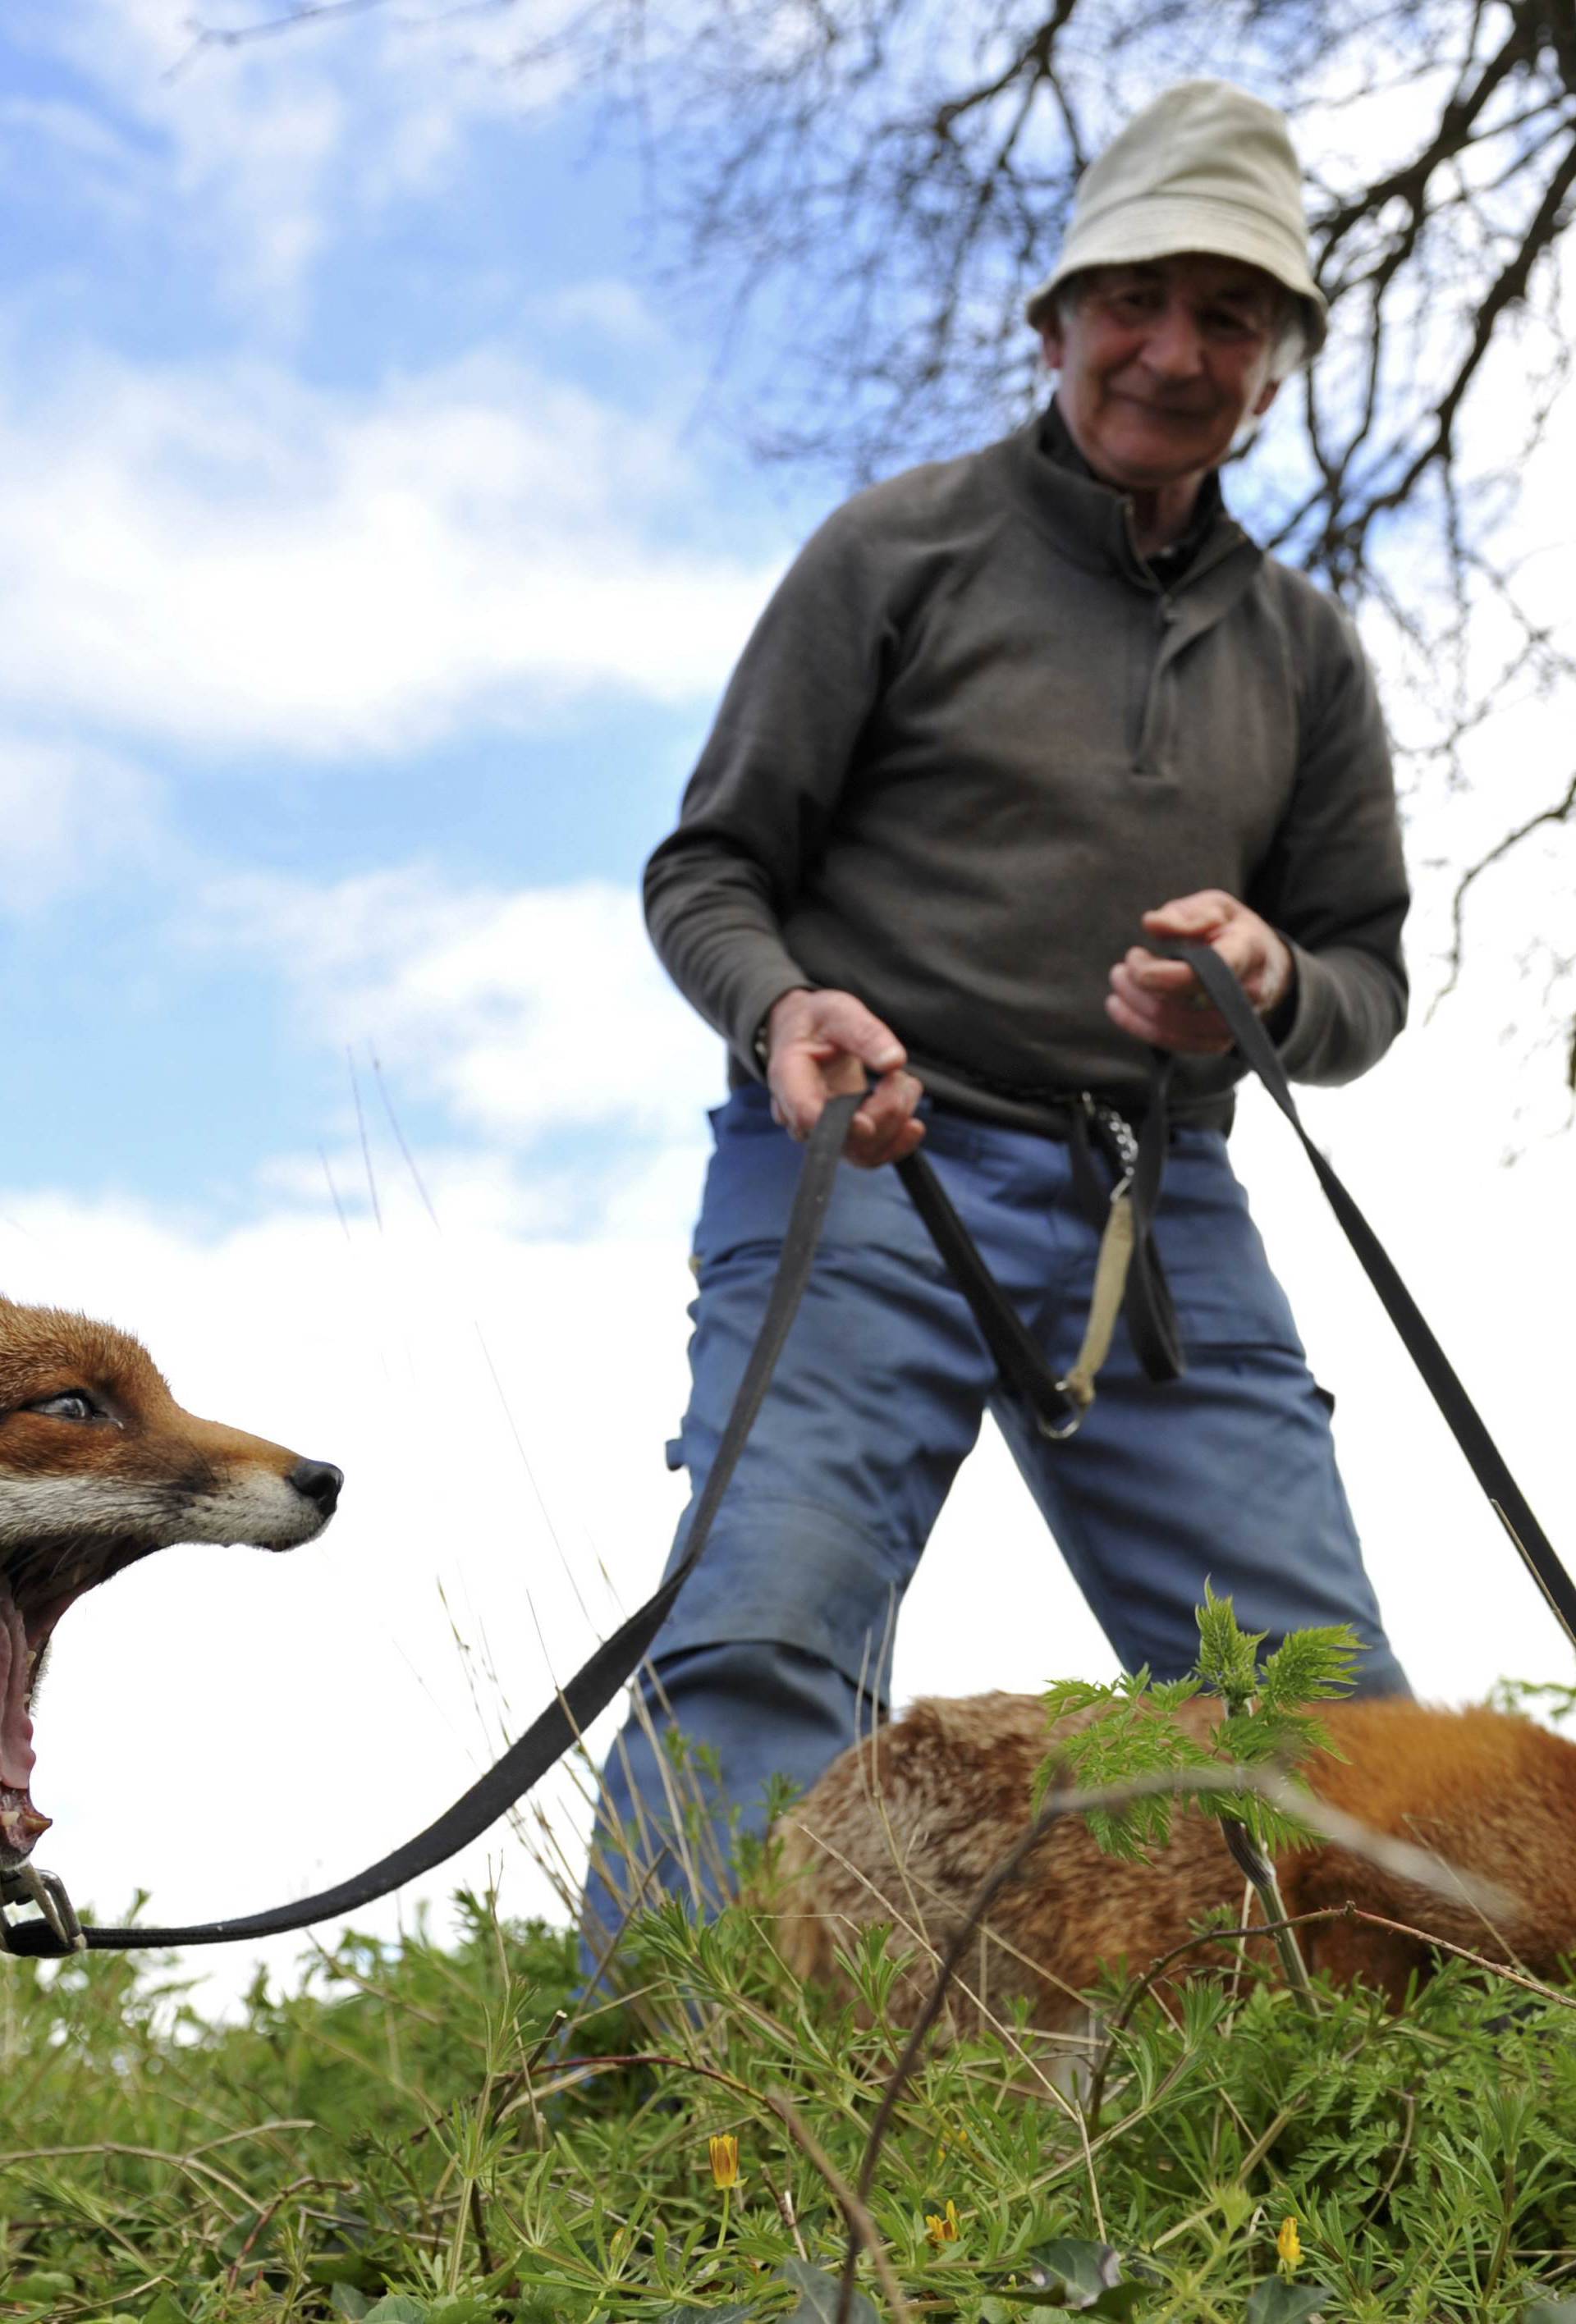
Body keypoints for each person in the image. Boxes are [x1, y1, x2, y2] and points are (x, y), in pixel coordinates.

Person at [581, 79, 1410, 1959]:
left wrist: (1270, 989)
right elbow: (706, 870)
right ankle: (643, 2115)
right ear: (1056, 321)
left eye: (1231, 316)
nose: (1175, 350)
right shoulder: (900, 554)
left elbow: (1365, 977)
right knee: (765, 1629)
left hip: (1160, 1215)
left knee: (1328, 1701)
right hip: (872, 1168)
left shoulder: (1304, 653)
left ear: (1274, 367)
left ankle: (1403, 2129)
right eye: (1139, 299)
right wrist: (786, 1005)